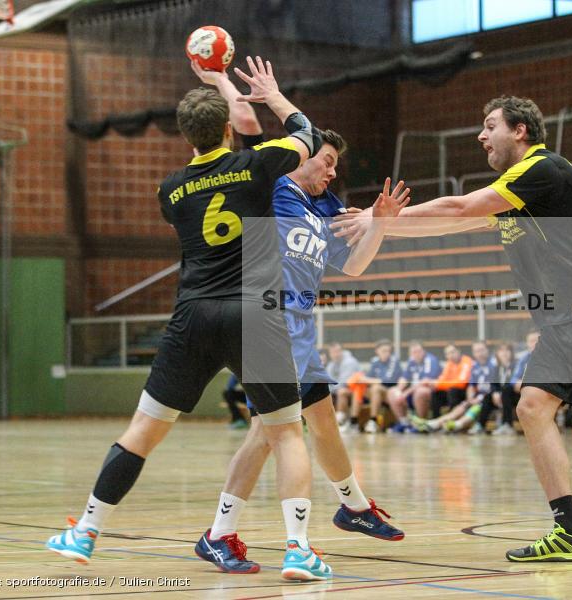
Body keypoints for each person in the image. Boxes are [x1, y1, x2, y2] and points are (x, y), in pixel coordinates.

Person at [334, 95, 572, 562]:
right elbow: (446, 226)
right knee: (532, 408)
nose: (481, 136)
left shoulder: (542, 171)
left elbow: (458, 207)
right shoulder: (516, 193)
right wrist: (383, 227)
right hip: (560, 324)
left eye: (490, 126)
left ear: (521, 131)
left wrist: (376, 217)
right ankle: (569, 533)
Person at [46, 56, 329, 578]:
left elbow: (217, 175)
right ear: (226, 129)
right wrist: (267, 95)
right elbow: (305, 133)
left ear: (186, 136)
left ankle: (85, 532)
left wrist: (221, 89)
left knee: (141, 433)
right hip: (254, 316)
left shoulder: (170, 190)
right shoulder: (255, 166)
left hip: (192, 316)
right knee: (287, 433)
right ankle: (298, 550)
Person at [189, 59, 407, 576]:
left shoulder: (319, 210)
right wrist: (231, 84)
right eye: (326, 160)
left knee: (319, 423)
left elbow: (353, 266)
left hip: (300, 329)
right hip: (268, 322)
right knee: (271, 432)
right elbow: (247, 129)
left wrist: (379, 224)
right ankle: (225, 534)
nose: (332, 171)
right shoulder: (272, 186)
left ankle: (353, 507)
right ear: (299, 159)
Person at [342, 339, 402, 433]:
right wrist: (361, 379)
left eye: (388, 351)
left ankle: (373, 421)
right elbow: (368, 378)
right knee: (359, 387)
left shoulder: (394, 361)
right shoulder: (375, 361)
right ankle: (354, 422)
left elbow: (388, 381)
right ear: (377, 351)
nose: (386, 353)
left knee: (376, 388)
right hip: (375, 391)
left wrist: (369, 380)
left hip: (389, 392)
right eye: (384, 351)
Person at [386, 340, 441, 430]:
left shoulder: (430, 360)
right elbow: (404, 377)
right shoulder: (411, 361)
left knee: (421, 391)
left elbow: (425, 381)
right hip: (412, 392)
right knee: (392, 391)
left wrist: (406, 393)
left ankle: (421, 423)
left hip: (431, 394)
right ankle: (403, 423)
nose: (416, 354)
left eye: (418, 351)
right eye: (413, 352)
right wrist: (399, 391)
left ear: (423, 351)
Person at [478, 342, 519, 435]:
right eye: (501, 350)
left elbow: (513, 383)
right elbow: (493, 385)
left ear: (511, 353)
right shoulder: (497, 368)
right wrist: (495, 393)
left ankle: (507, 425)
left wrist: (501, 393)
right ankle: (480, 425)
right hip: (501, 397)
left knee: (506, 390)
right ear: (497, 353)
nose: (504, 353)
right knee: (488, 397)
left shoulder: (516, 365)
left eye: (507, 350)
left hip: (514, 396)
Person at [430, 344, 475, 418]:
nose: (450, 355)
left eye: (452, 352)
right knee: (435, 393)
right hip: (452, 390)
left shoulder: (466, 361)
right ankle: (435, 420)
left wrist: (439, 384)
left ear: (459, 351)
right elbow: (443, 379)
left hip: (465, 391)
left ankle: (451, 420)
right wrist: (435, 384)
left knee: (452, 391)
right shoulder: (449, 363)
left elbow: (461, 383)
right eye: (448, 354)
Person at [326, 341, 362, 425]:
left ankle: (342, 420)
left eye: (337, 351)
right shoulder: (331, 365)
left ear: (342, 351)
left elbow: (343, 383)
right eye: (332, 352)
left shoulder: (350, 362)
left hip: (357, 390)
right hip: (340, 390)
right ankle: (327, 423)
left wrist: (330, 390)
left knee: (341, 392)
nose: (335, 354)